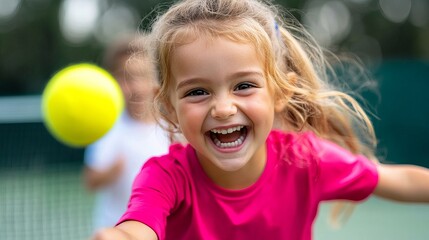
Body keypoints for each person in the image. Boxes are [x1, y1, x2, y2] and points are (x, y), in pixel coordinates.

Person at [91, 0, 429, 239]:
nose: (223, 108)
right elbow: (137, 228)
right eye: (197, 92)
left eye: (244, 86)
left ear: (280, 93)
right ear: (168, 108)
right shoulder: (165, 177)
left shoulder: (305, 160)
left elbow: (400, 181)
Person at [83, 34, 171, 232]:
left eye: (142, 76)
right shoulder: (108, 128)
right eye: (127, 78)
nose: (136, 87)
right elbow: (90, 180)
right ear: (113, 81)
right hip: (116, 230)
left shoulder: (170, 128)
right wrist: (111, 172)